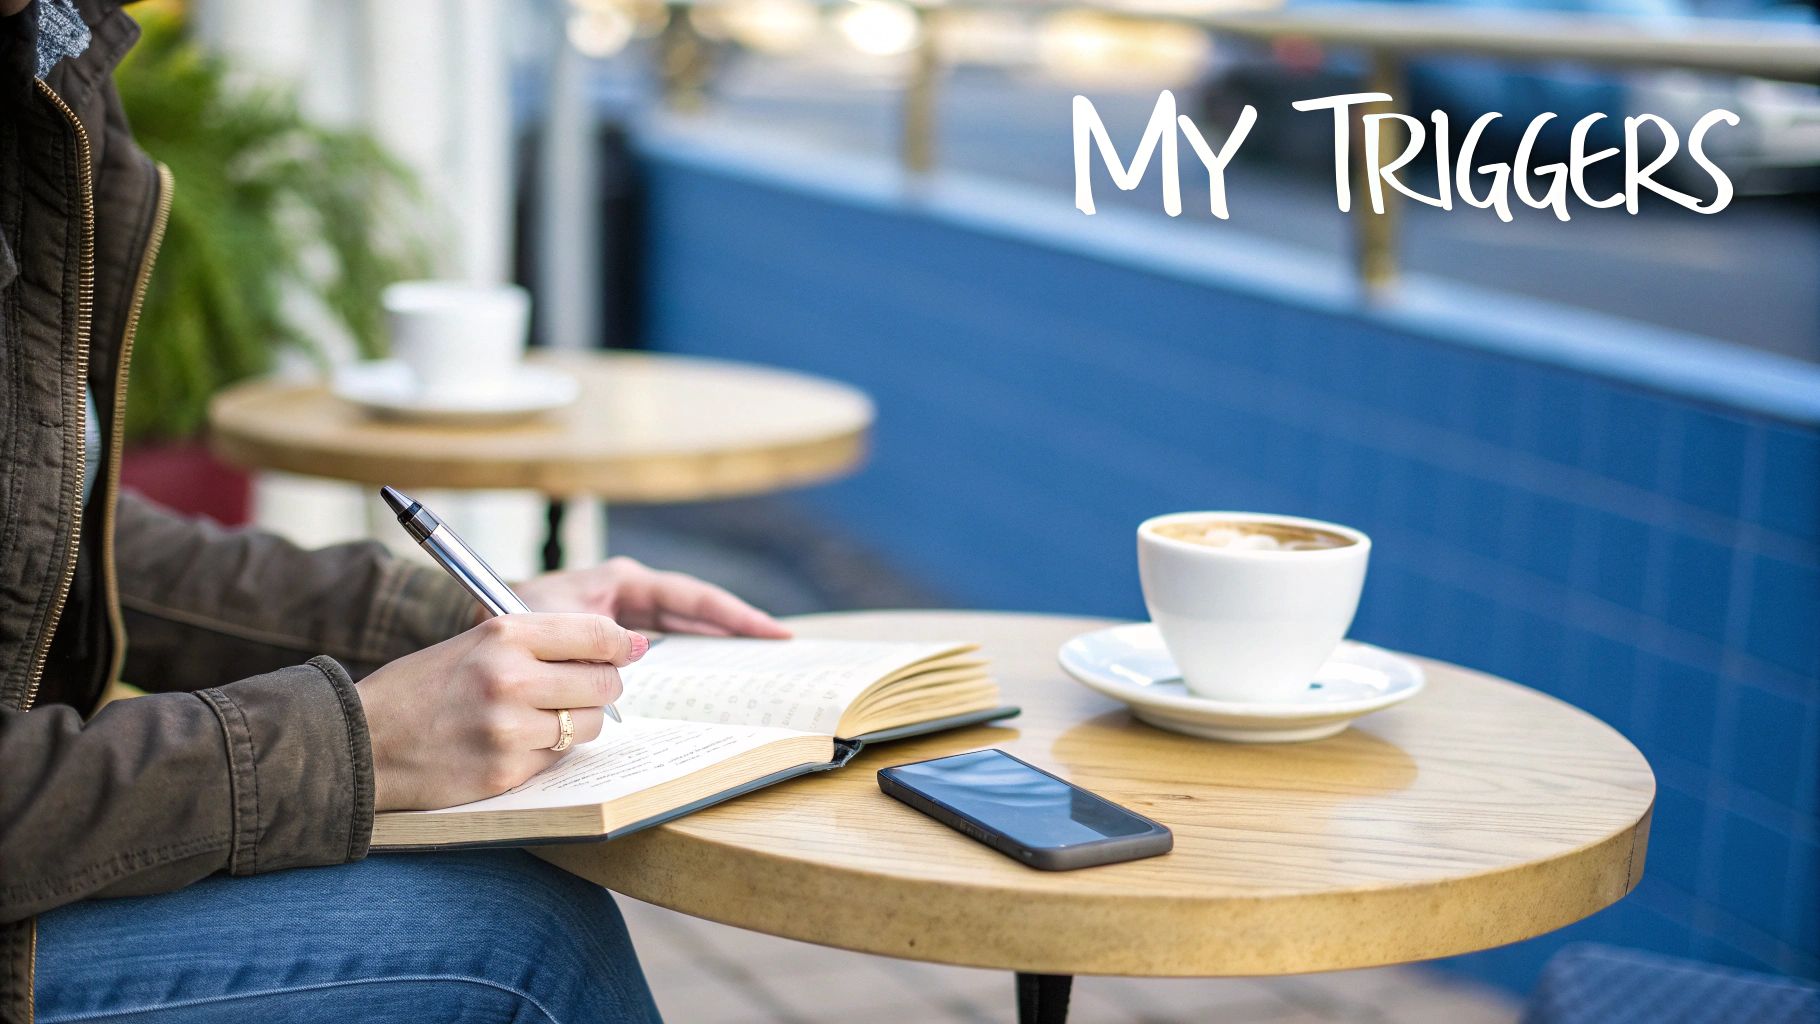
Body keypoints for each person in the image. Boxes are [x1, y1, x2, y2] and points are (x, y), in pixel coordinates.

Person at [0, 2, 792, 1019]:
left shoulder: (50, 61)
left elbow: (55, 540)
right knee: (517, 940)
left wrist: (459, 615)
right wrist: (352, 743)